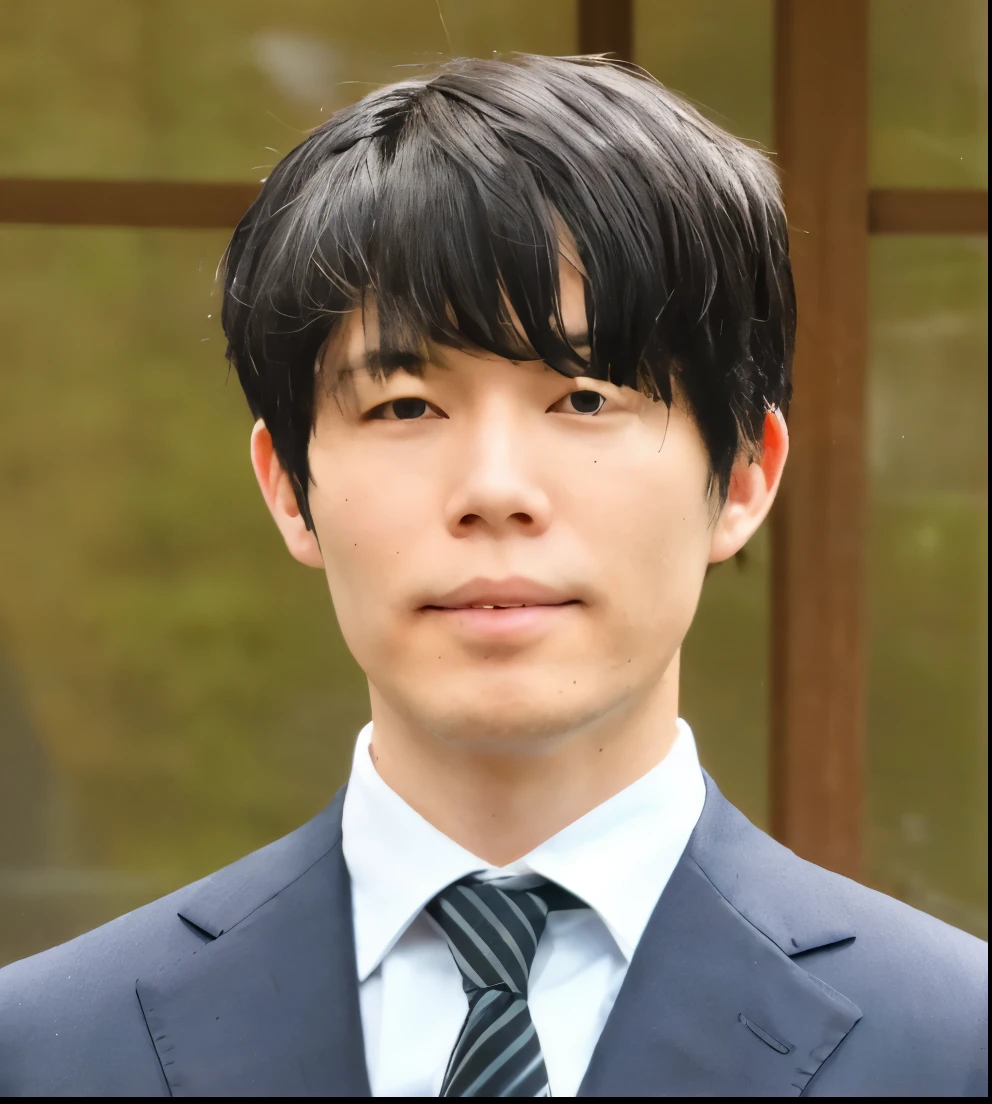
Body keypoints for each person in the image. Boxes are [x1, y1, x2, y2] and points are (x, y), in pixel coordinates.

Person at [0, 53, 985, 1098]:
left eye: (583, 400)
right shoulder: (44, 1050)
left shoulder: (952, 1047)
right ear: (289, 485)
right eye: (406, 406)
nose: (494, 489)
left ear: (741, 475)